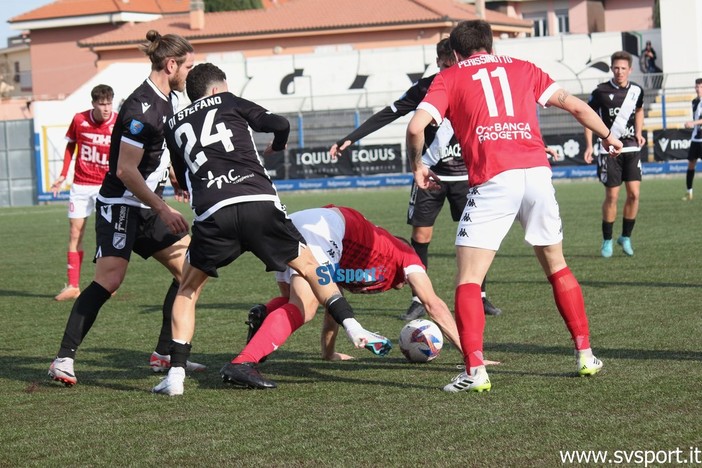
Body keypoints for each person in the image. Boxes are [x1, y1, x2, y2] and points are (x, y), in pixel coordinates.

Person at [407, 20, 621, 392]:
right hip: (537, 174)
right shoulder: (524, 67)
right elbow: (573, 105)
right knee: (557, 266)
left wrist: (418, 165)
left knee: (469, 279)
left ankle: (475, 372)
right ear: (489, 45)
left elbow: (415, 127)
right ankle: (586, 355)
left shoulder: (451, 76)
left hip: (494, 178)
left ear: (455, 53)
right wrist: (608, 135)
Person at [152, 63, 390, 396]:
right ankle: (353, 325)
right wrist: (278, 144)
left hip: (214, 213)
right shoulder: (230, 100)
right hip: (258, 203)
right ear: (218, 89)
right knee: (311, 268)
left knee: (187, 290)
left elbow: (181, 174)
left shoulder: (174, 124)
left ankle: (175, 376)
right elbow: (280, 123)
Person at [48, 30, 202, 387]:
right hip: (121, 204)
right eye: (188, 67)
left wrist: (176, 181)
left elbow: (157, 155)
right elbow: (125, 170)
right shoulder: (140, 107)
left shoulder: (167, 100)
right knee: (110, 280)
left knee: (193, 270)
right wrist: (164, 208)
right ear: (171, 64)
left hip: (148, 205)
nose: (190, 74)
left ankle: (165, 352)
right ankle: (63, 359)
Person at [330, 39, 502, 320]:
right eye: (445, 64)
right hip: (429, 174)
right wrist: (352, 137)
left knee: (475, 237)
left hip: (466, 174)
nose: (451, 68)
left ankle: (480, 295)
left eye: (454, 64)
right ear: (438, 62)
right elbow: (391, 112)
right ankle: (418, 298)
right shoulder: (426, 88)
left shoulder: (473, 83)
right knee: (421, 235)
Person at [235, 205, 469, 388]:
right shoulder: (406, 254)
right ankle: (243, 363)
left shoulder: (358, 257)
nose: (399, 287)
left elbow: (332, 306)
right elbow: (433, 303)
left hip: (298, 224)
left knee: (290, 303)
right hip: (322, 230)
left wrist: (328, 353)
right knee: (303, 307)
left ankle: (264, 314)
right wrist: (471, 355)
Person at [50, 85, 117, 301]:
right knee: (75, 233)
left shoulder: (118, 122)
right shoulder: (79, 120)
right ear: (94, 104)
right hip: (80, 185)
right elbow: (71, 146)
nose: (106, 108)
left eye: (109, 103)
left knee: (106, 234)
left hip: (106, 186)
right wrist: (62, 175)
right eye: (102, 103)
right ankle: (73, 285)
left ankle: (107, 282)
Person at [584, 51, 645, 258]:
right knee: (612, 196)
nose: (619, 72)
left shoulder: (637, 90)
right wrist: (589, 145)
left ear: (630, 70)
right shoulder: (600, 91)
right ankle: (607, 240)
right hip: (609, 150)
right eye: (616, 68)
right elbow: (587, 116)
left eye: (623, 68)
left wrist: (638, 132)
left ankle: (625, 237)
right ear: (612, 68)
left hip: (631, 148)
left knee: (634, 195)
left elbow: (639, 110)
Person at [682, 78, 702, 201]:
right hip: (695, 139)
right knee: (691, 165)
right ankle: (689, 192)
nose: (697, 88)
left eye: (700, 86)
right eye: (696, 86)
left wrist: (692, 123)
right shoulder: (694, 101)